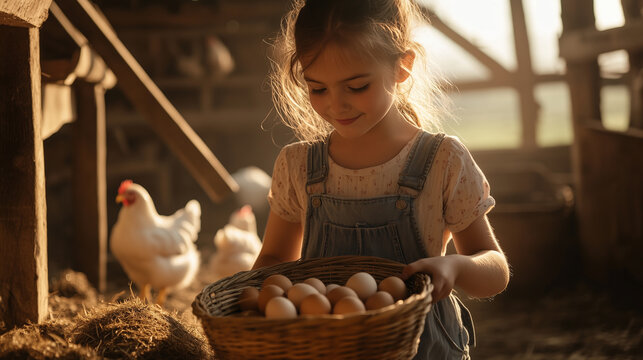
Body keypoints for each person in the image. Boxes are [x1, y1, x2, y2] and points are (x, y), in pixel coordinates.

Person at [253, 0, 510, 358]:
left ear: (402, 67)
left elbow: (494, 270)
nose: (336, 106)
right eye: (318, 89)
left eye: (356, 86)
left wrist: (455, 266)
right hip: (326, 348)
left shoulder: (443, 161)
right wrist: (259, 301)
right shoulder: (297, 165)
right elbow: (275, 258)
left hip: (423, 347)